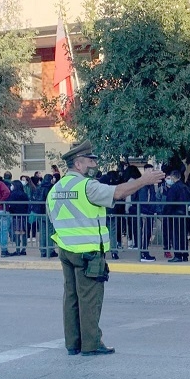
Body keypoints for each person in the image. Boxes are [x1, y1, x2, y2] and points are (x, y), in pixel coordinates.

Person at [48, 140, 163, 356]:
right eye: (91, 161)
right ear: (79, 164)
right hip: (88, 252)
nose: (94, 165)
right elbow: (118, 193)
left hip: (65, 250)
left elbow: (52, 217)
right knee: (90, 298)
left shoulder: (55, 189)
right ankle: (91, 344)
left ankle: (73, 343)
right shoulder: (87, 186)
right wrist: (144, 180)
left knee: (71, 297)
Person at [6, 179, 30, 256]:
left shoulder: (12, 194)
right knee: (24, 233)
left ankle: (17, 249)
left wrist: (11, 211)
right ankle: (24, 249)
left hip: (15, 216)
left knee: (17, 233)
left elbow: (10, 205)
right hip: (24, 215)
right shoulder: (24, 194)